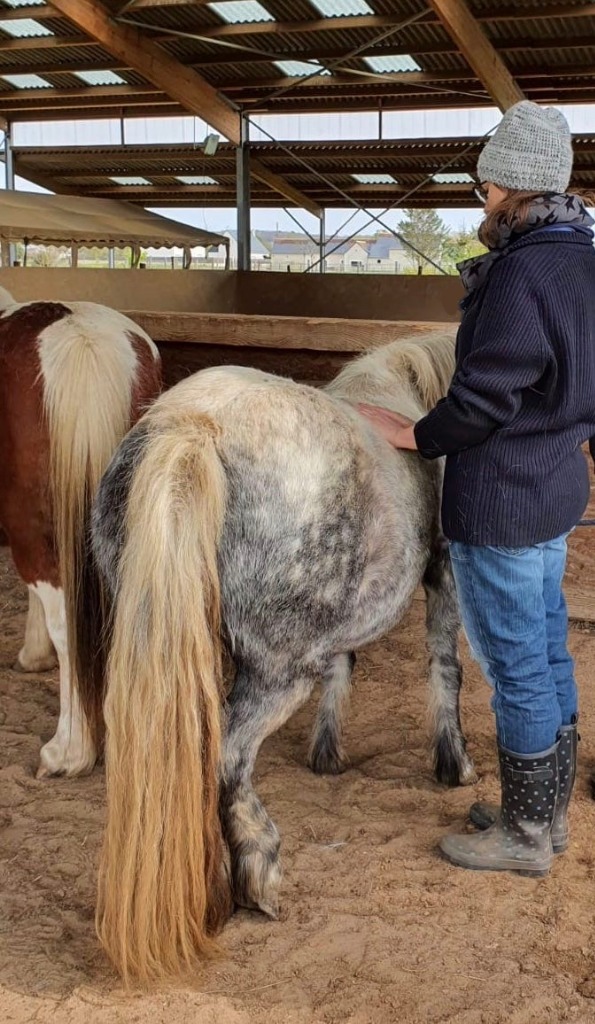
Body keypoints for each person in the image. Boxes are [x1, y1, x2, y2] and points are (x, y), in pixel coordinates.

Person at [359, 100, 595, 877]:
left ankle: (523, 837)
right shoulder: (583, 261)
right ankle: (546, 817)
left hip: (501, 501)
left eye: (484, 188)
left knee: (514, 667)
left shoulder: (520, 272)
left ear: (511, 187)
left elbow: (485, 395)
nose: (482, 202)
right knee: (546, 652)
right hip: (553, 489)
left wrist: (414, 435)